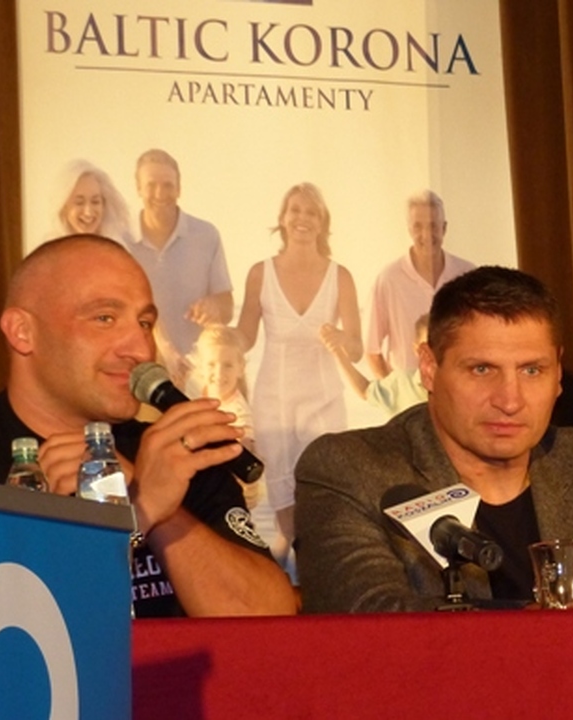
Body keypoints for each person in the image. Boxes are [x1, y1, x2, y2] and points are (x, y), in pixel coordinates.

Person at [295, 265, 573, 612]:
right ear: (429, 368)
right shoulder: (352, 470)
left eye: (532, 370)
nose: (510, 401)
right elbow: (370, 626)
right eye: (481, 369)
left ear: (558, 372)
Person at [0, 235, 296, 617]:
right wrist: (135, 514)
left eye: (145, 323)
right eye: (104, 318)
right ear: (23, 332)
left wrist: (158, 508)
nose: (140, 349)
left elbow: (269, 621)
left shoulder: (173, 456)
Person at [237, 182, 362, 551]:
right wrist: (215, 334)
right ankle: (288, 571)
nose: (302, 218)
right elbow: (244, 337)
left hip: (324, 401)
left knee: (324, 491)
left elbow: (357, 349)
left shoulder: (341, 276)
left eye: (311, 212)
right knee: (285, 515)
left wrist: (342, 339)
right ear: (282, 218)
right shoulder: (260, 273)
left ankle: (318, 566)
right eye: (295, 210)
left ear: (322, 223)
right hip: (274, 403)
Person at [123, 149, 234, 380]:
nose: (160, 193)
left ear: (179, 188)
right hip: (137, 375)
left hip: (196, 374)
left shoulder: (206, 235)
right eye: (151, 185)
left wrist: (213, 307)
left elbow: (227, 308)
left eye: (168, 185)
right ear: (138, 188)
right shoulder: (120, 240)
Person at [189, 324, 291, 570]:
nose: (218, 372)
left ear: (240, 368)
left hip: (233, 491)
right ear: (201, 366)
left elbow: (240, 453)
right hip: (207, 487)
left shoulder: (238, 413)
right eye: (211, 364)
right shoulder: (198, 394)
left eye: (227, 365)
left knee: (231, 544)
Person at [365, 190, 474, 380]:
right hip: (409, 393)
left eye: (433, 225)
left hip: (458, 388)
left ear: (444, 228)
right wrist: (394, 393)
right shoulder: (388, 280)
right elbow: (372, 350)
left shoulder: (468, 275)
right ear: (409, 230)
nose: (426, 234)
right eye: (418, 226)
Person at [329, 313, 429, 417]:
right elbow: (365, 389)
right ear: (416, 349)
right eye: (427, 346)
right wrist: (338, 353)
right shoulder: (401, 383)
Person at [48, 159, 131, 241]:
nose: (88, 212)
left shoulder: (119, 246)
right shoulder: (51, 248)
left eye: (95, 202)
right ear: (64, 207)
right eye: (79, 203)